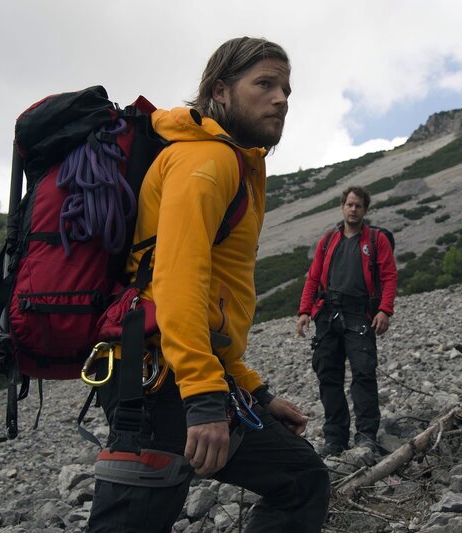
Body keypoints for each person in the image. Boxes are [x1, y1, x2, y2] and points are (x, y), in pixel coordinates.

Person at [88, 37, 330, 533]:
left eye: (286, 87)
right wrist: (202, 399)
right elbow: (177, 283)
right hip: (159, 383)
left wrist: (253, 393)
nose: (282, 98)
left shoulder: (231, 162)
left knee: (300, 476)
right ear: (220, 90)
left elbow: (209, 304)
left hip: (170, 372)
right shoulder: (208, 163)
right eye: (264, 84)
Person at [296, 186, 397, 456]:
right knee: (328, 375)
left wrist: (385, 310)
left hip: (360, 314)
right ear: (342, 206)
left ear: (365, 210)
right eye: (349, 205)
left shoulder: (376, 240)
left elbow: (389, 277)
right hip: (327, 315)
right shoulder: (328, 240)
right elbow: (313, 278)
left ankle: (366, 436)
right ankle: (335, 439)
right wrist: (305, 311)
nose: (353, 210)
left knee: (363, 373)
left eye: (358, 206)